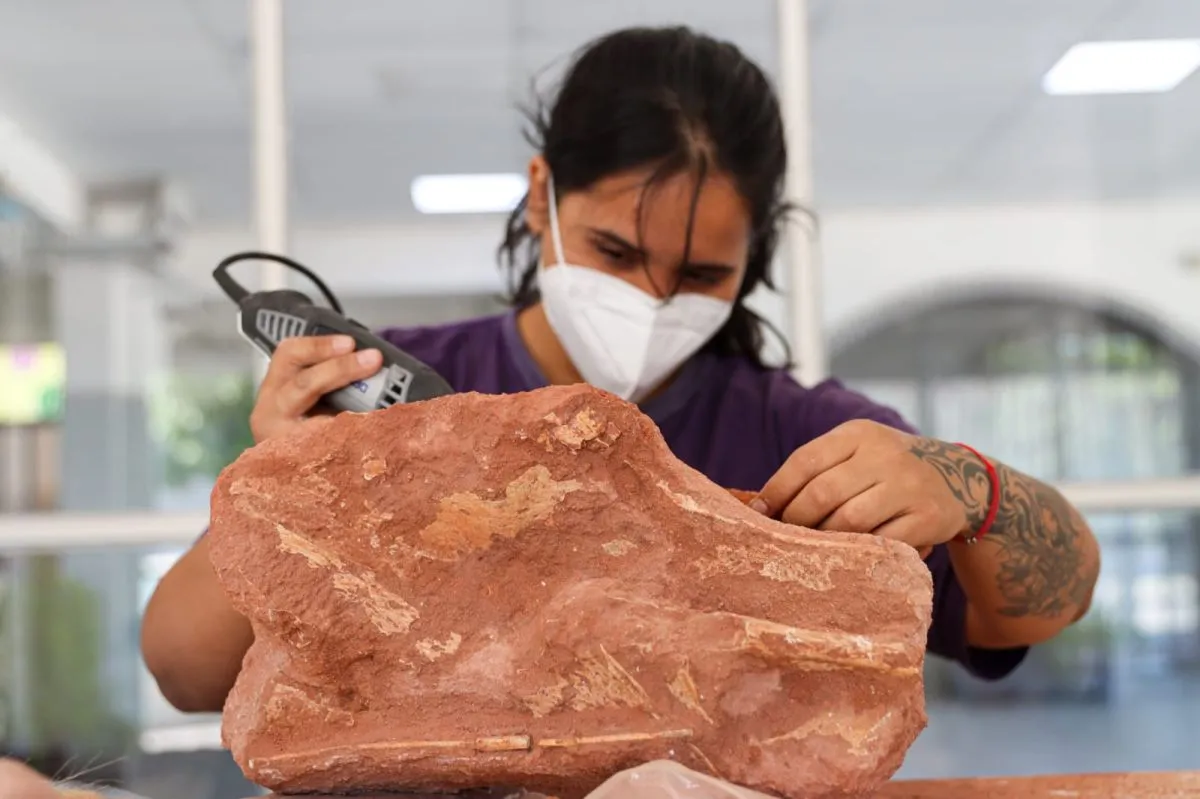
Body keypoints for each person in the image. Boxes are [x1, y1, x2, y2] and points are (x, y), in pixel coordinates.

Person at [142, 25, 1100, 714]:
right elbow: (183, 673)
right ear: (539, 199)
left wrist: (968, 484)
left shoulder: (802, 440)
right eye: (611, 252)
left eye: (700, 273)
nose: (648, 300)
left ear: (756, 254)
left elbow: (1029, 614)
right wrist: (288, 492)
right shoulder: (392, 396)